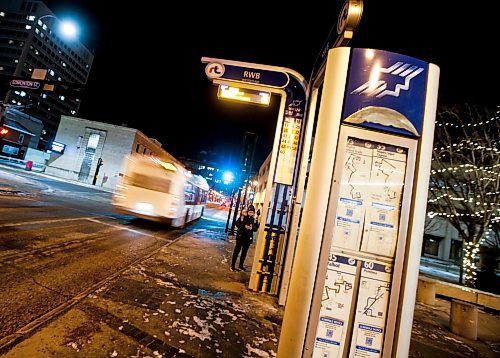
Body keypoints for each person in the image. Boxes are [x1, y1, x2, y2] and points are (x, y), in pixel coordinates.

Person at [231, 205, 258, 272]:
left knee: (244, 252)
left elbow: (255, 228)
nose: (251, 213)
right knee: (236, 251)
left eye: (252, 212)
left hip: (248, 238)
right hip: (241, 237)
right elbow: (236, 223)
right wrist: (244, 226)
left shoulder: (254, 219)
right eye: (250, 211)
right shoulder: (243, 217)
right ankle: (232, 266)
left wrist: (252, 228)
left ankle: (241, 265)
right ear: (247, 211)